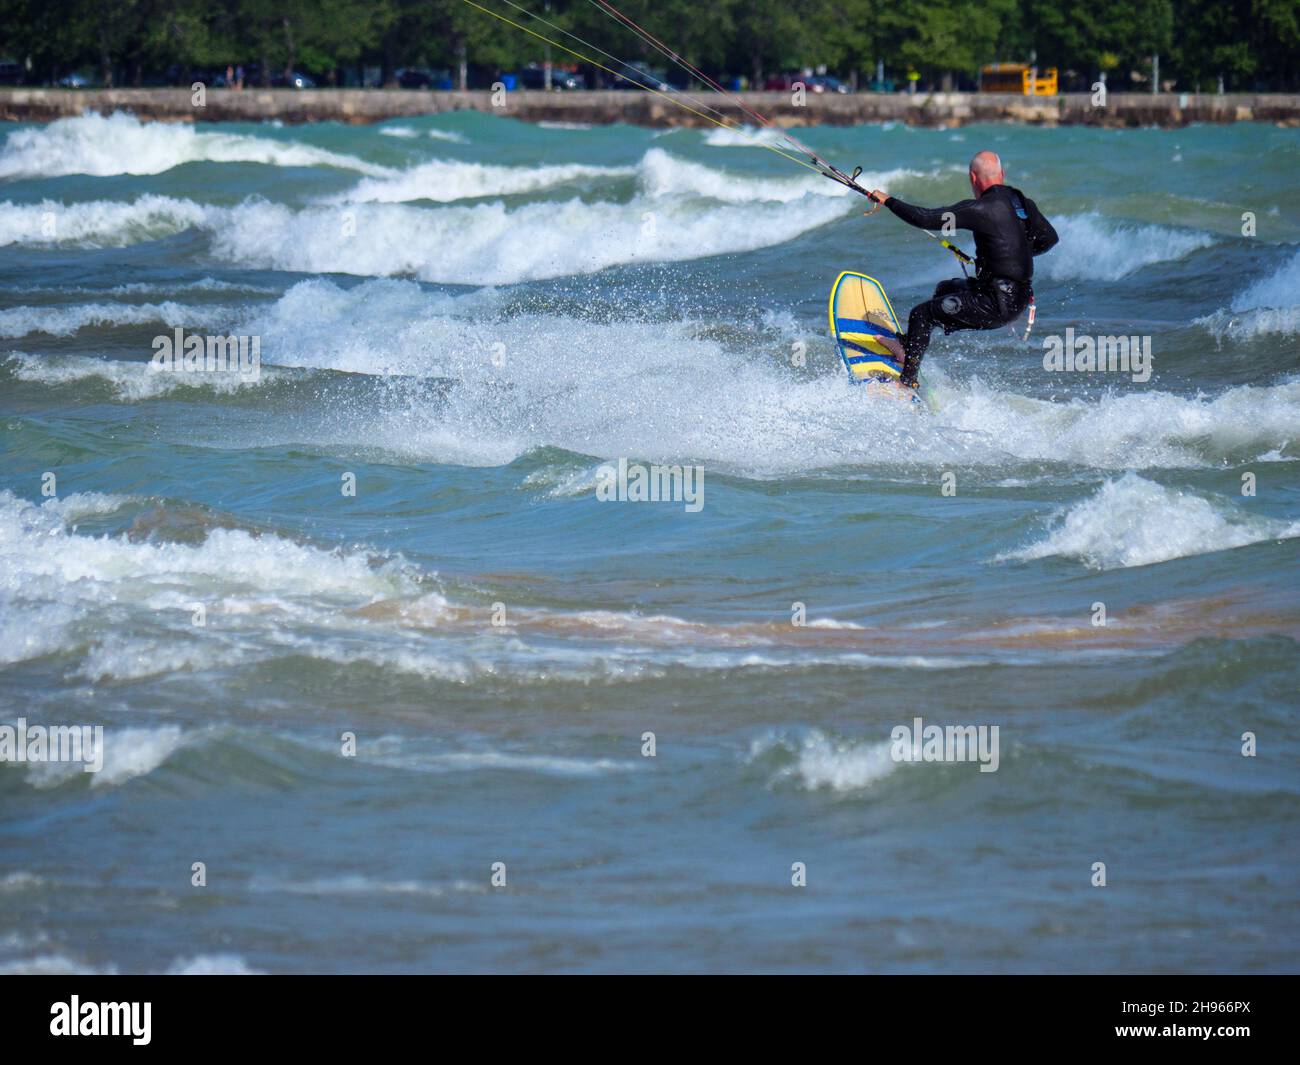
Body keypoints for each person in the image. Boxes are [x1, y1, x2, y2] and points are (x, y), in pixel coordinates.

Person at [868, 151, 1058, 387]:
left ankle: (907, 382)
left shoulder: (979, 209)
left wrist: (888, 201)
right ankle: (907, 349)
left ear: (973, 178)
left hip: (996, 303)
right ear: (1002, 174)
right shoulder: (1021, 203)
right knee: (945, 289)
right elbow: (1049, 239)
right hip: (1018, 297)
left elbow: (926, 219)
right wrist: (1010, 257)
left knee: (921, 315)